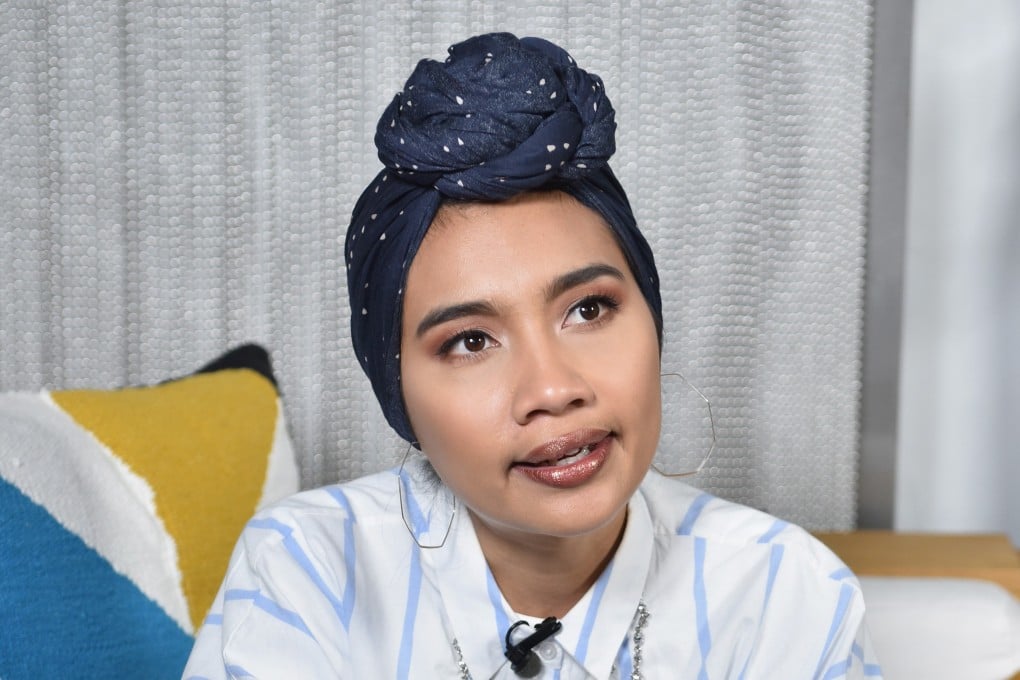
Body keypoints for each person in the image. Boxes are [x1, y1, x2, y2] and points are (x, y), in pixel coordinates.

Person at [183, 33, 881, 679]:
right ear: (399, 398)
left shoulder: (786, 595)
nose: (552, 388)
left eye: (589, 309)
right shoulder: (306, 572)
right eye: (470, 342)